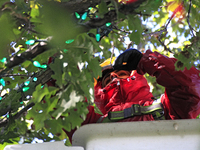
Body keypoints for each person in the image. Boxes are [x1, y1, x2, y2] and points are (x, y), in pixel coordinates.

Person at [62, 48, 200, 142]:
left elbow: (192, 87)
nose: (115, 78)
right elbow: (62, 103)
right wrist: (58, 64)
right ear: (99, 92)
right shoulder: (91, 125)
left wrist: (146, 61)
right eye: (108, 79)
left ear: (137, 77)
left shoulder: (166, 109)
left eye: (122, 74)